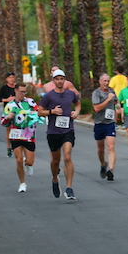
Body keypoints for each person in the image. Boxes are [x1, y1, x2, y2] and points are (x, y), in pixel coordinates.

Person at [38, 69, 81, 202]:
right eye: (57, 79)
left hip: (68, 129)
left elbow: (77, 103)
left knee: (67, 157)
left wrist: (76, 112)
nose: (60, 81)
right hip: (53, 132)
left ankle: (69, 188)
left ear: (65, 80)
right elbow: (40, 112)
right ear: (53, 80)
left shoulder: (70, 94)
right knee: (56, 161)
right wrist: (52, 111)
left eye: (62, 78)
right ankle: (55, 179)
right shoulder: (49, 96)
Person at [1, 82, 41, 192]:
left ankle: (28, 164)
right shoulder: (10, 105)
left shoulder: (30, 102)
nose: (23, 94)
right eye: (21, 91)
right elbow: (3, 122)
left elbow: (39, 112)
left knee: (29, 162)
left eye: (25, 92)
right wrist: (8, 118)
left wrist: (35, 113)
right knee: (18, 160)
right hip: (16, 135)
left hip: (29, 135)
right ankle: (22, 183)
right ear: (15, 91)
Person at [92, 73, 118, 181]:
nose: (106, 83)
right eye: (104, 81)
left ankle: (110, 170)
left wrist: (119, 109)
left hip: (110, 123)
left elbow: (116, 102)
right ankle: (103, 164)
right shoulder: (96, 93)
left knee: (111, 147)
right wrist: (108, 100)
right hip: (99, 123)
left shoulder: (112, 91)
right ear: (100, 81)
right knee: (101, 148)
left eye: (108, 81)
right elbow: (96, 108)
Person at [0, 72, 18, 157]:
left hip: (18, 111)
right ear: (6, 79)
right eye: (9, 77)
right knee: (9, 130)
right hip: (8, 111)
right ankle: (9, 148)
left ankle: (16, 146)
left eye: (13, 77)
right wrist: (7, 100)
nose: (11, 79)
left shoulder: (17, 88)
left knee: (18, 129)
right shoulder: (4, 88)